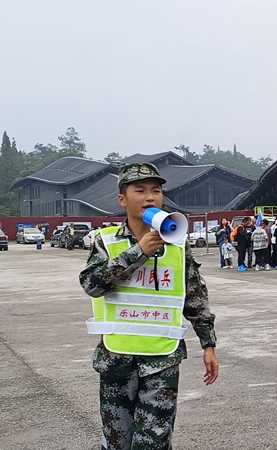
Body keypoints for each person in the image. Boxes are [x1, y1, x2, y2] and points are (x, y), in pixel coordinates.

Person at [79, 162, 218, 449]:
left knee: (154, 442)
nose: (150, 198)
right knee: (117, 442)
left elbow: (195, 296)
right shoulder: (106, 241)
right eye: (140, 190)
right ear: (122, 199)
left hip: (161, 360)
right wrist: (137, 252)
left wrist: (208, 344)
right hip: (116, 360)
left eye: (156, 191)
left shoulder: (177, 244)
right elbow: (92, 285)